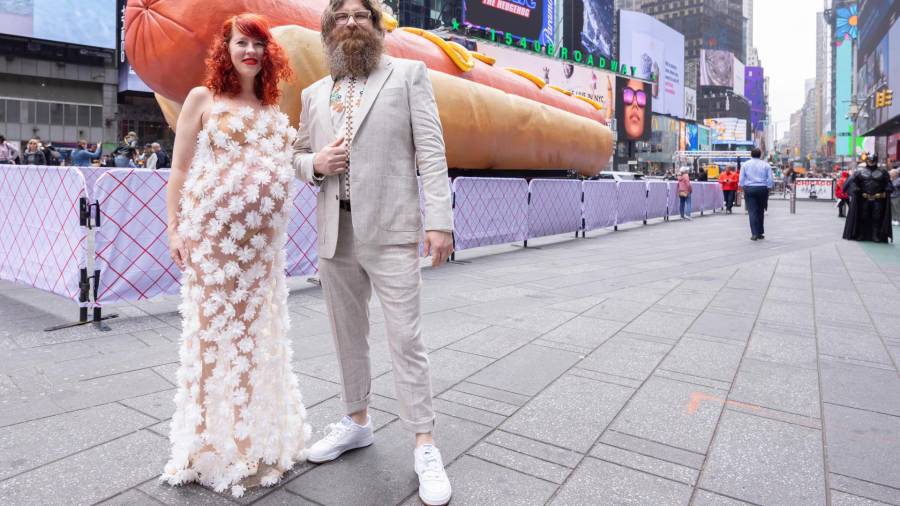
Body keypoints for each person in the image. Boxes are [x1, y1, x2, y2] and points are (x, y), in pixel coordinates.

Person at [292, 0, 454, 503]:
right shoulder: (314, 93)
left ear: (377, 26)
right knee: (347, 335)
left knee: (406, 338)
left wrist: (440, 222)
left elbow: (431, 151)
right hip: (334, 233)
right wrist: (315, 162)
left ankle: (424, 442)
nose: (350, 23)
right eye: (340, 17)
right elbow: (296, 154)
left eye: (360, 15)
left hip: (391, 230)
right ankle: (356, 419)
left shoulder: (408, 75)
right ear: (329, 31)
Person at [160, 13, 309, 497]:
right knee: (209, 336)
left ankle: (248, 439)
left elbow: (281, 164)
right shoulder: (202, 99)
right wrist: (175, 230)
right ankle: (202, 443)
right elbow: (180, 169)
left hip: (261, 248)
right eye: (242, 43)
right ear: (225, 49)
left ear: (269, 54)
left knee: (251, 337)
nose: (250, 51)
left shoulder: (272, 105)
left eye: (259, 45)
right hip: (212, 242)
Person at [842, 154, 893, 243]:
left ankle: (875, 235)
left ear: (876, 161)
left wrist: (888, 187)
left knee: (877, 217)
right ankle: (861, 234)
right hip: (864, 199)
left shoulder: (883, 172)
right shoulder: (859, 172)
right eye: (869, 160)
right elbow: (853, 182)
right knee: (863, 216)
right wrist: (855, 188)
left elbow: (888, 183)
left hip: (878, 199)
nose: (871, 162)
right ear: (866, 161)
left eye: (873, 161)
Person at [738, 147, 774, 240]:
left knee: (752, 211)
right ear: (760, 155)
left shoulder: (745, 164)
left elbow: (741, 178)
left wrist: (741, 187)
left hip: (749, 188)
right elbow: (770, 179)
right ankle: (760, 232)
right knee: (760, 210)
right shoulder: (766, 165)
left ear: (751, 154)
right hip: (762, 188)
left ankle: (754, 233)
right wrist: (769, 188)